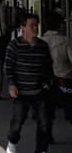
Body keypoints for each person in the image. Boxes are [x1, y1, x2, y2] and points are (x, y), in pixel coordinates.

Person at [4, 13, 54, 153]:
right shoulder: (14, 45)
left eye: (36, 25)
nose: (35, 28)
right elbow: (9, 67)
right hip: (21, 92)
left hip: (39, 92)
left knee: (44, 123)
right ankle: (12, 144)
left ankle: (41, 150)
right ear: (22, 28)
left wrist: (47, 84)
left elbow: (48, 66)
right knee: (17, 123)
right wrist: (11, 84)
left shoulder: (43, 46)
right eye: (32, 25)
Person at [40, 11, 72, 143]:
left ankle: (48, 135)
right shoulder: (65, 40)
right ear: (59, 25)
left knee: (48, 111)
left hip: (47, 81)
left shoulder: (40, 41)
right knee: (70, 110)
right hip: (64, 79)